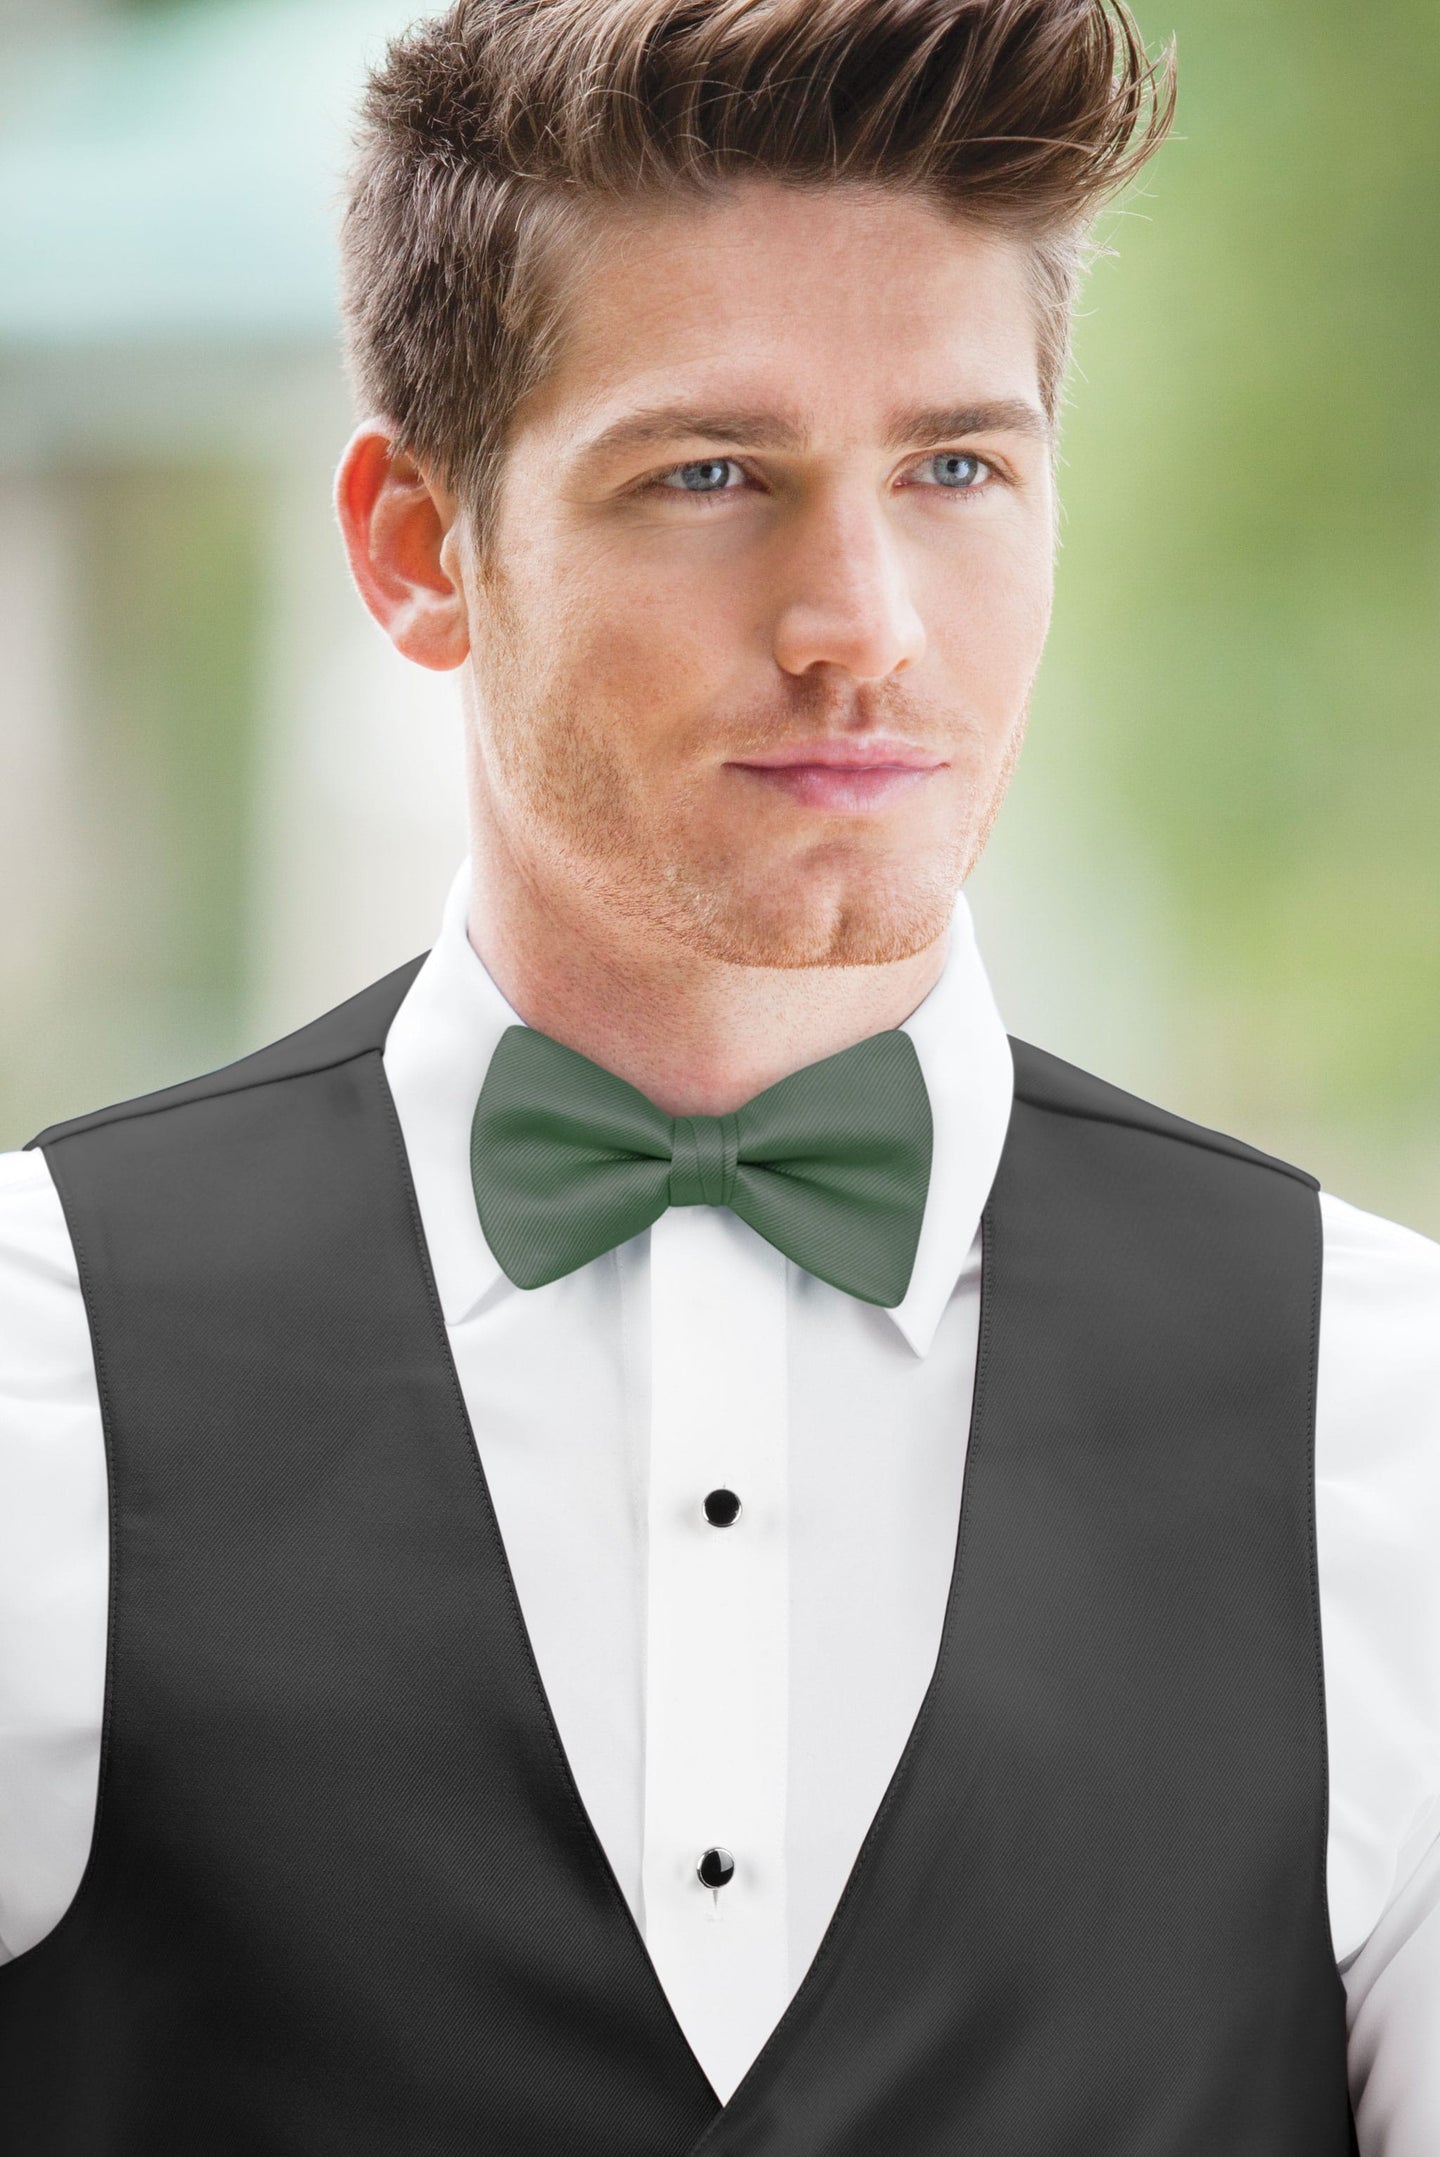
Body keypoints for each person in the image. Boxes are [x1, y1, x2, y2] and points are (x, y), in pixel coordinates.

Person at [0, 0, 1435, 2147]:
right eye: (710, 475)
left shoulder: (1393, 1417)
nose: (862, 618)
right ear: (417, 546)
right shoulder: (32, 1371)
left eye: (956, 466)